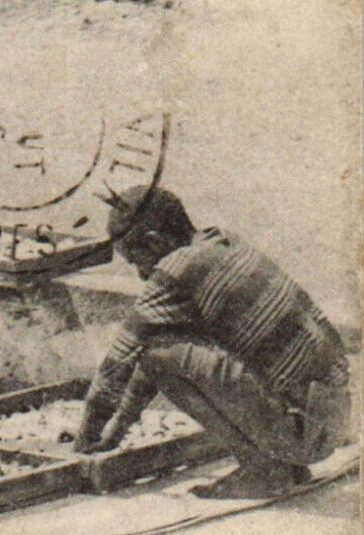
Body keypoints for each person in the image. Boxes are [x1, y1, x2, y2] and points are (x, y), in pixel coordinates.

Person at [74, 187, 353, 499]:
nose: (141, 275)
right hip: (332, 418)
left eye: (136, 261)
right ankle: (282, 465)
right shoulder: (224, 240)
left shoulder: (176, 270)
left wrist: (84, 441)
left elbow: (120, 363)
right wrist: (117, 431)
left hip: (303, 434)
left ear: (156, 241)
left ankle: (263, 469)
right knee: (163, 350)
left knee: (156, 355)